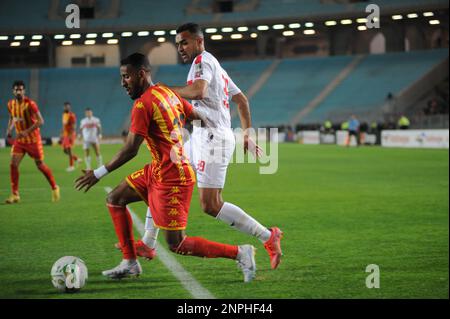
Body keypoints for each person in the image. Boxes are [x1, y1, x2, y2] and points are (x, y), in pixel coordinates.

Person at [75, 53, 257, 282]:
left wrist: (98, 173)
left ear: (141, 74)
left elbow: (131, 149)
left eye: (126, 77)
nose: (123, 83)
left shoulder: (143, 104)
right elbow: (196, 117)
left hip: (173, 178)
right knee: (115, 199)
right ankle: (130, 262)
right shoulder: (167, 93)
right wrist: (199, 137)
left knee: (177, 243)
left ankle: (241, 253)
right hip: (158, 169)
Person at [130, 23, 283, 270]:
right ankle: (148, 242)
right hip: (202, 137)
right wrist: (246, 134)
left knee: (211, 205)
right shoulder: (215, 66)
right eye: (178, 43)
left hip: (213, 139)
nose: (180, 47)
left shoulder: (202, 61)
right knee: (162, 175)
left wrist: (164, 91)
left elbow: (199, 91)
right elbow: (241, 100)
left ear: (199, 42)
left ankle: (268, 236)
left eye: (185, 42)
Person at [5, 80, 60, 204]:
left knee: (40, 165)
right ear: (13, 91)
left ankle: (54, 187)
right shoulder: (10, 104)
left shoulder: (30, 104)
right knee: (13, 164)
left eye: (20, 89)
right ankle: (15, 194)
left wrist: (26, 131)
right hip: (20, 141)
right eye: (16, 89)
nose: (18, 91)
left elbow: (41, 121)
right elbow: (12, 117)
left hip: (33, 140)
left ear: (24, 91)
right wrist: (9, 129)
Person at [61, 102, 81, 172]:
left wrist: (70, 135)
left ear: (70, 107)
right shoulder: (64, 114)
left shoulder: (71, 115)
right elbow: (64, 125)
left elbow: (74, 126)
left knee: (69, 150)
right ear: (64, 107)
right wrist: (62, 133)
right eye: (65, 106)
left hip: (70, 135)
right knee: (65, 150)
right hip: (65, 135)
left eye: (68, 107)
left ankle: (71, 166)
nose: (66, 108)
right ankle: (77, 159)